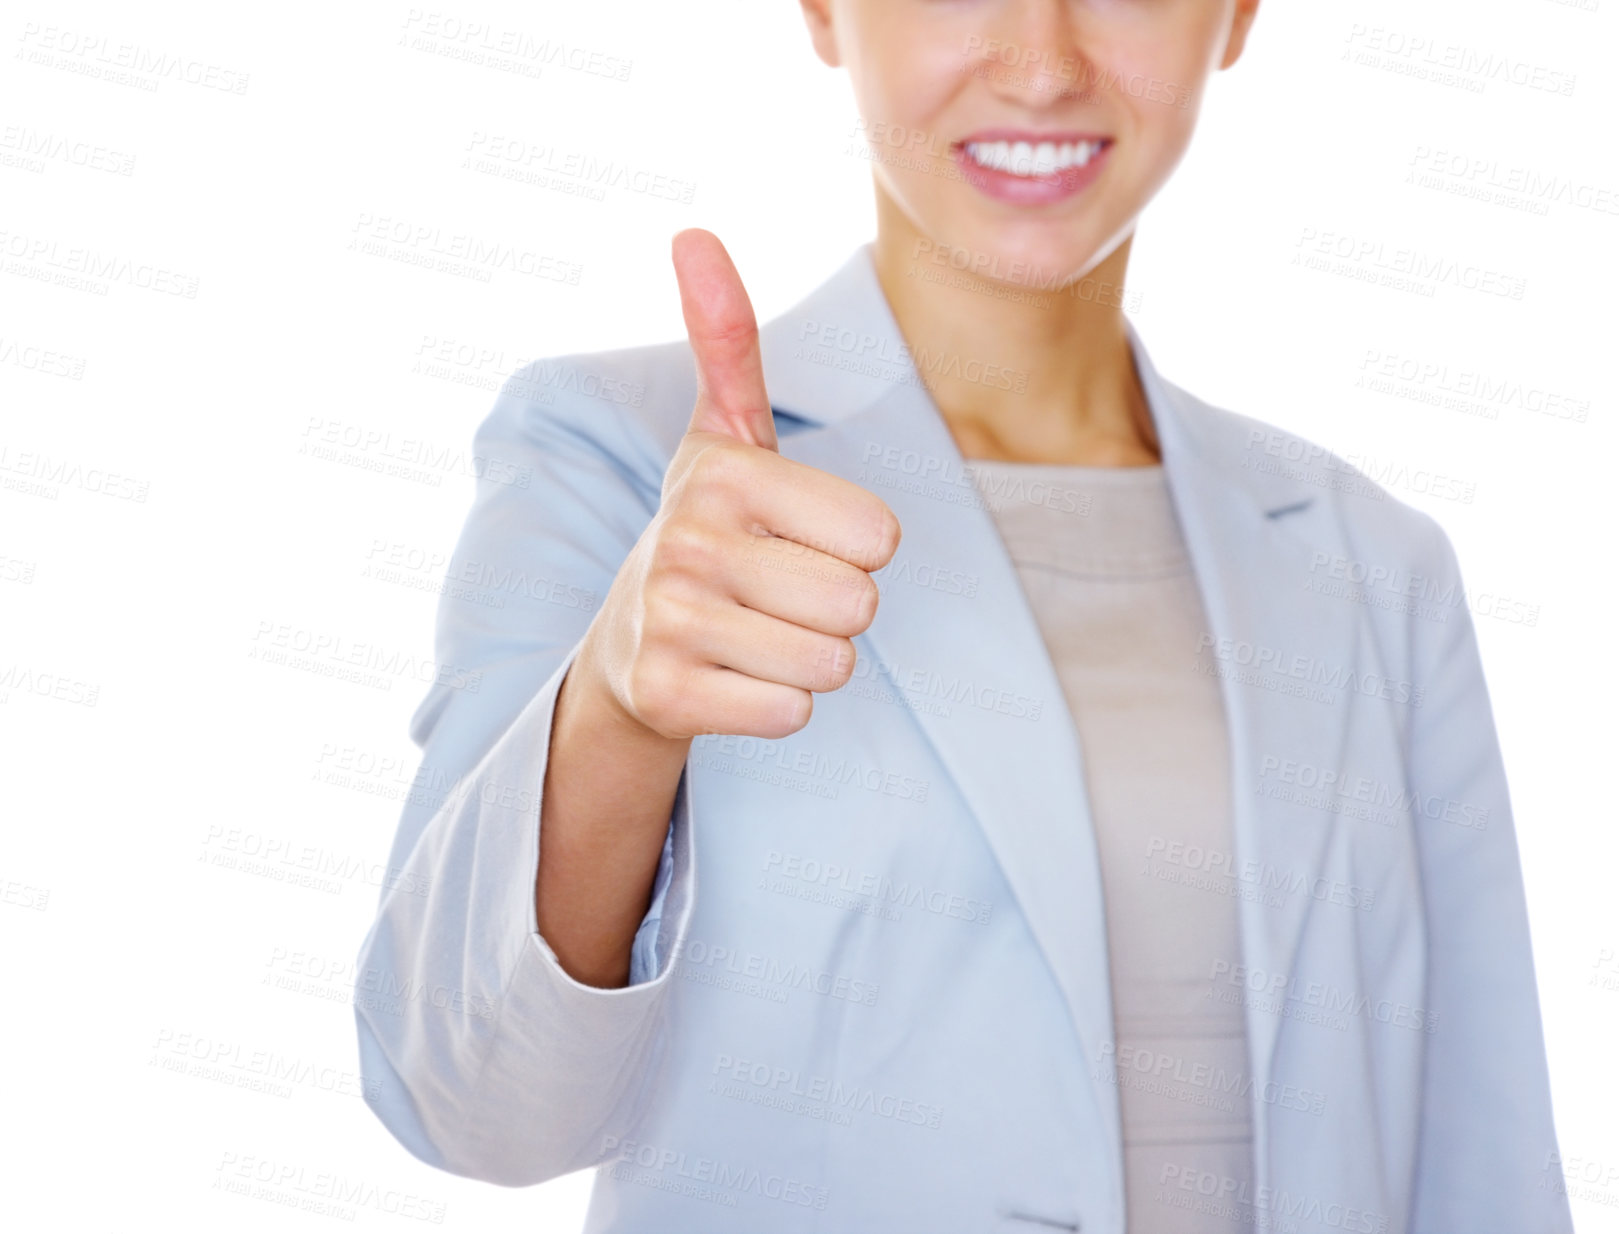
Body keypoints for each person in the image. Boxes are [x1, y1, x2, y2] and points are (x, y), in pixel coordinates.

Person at [353, 2, 1571, 1231]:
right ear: (823, 10)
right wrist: (616, 708)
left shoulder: (1373, 567)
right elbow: (464, 1103)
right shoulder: (615, 459)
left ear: (1238, 14)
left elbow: (1482, 1167)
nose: (1041, 66)